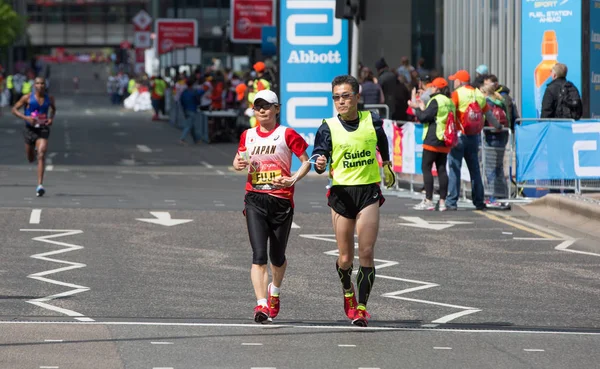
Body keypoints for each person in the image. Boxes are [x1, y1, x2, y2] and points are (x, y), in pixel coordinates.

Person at [313, 75, 395, 327]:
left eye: (346, 96)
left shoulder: (373, 121)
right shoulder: (328, 126)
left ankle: (361, 307)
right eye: (336, 97)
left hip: (368, 191)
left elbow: (381, 141)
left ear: (357, 97)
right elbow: (319, 153)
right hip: (341, 194)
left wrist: (387, 163)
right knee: (346, 258)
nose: (341, 101)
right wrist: (319, 162)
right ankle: (347, 290)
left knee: (367, 252)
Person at [233, 89, 310, 324]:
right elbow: (239, 159)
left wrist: (292, 178)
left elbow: (306, 162)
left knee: (277, 257)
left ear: (277, 108)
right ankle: (261, 304)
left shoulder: (287, 134)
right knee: (258, 255)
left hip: (281, 200)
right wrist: (237, 163)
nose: (262, 110)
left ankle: (274, 291)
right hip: (254, 198)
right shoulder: (247, 135)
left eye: (267, 105)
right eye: (258, 106)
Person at [446, 69, 502, 211]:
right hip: (473, 137)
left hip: (459, 136)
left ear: (459, 81)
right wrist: (498, 126)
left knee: (455, 169)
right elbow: (488, 114)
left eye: (455, 79)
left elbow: (449, 113)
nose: (454, 82)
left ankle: (452, 201)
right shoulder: (478, 94)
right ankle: (478, 201)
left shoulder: (457, 94)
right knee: (475, 170)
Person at [408, 77, 455, 211]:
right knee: (441, 169)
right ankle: (442, 202)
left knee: (426, 168)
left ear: (437, 88)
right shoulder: (449, 101)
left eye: (433, 87)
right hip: (445, 140)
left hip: (433, 138)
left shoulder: (436, 100)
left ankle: (428, 200)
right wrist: (423, 108)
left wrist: (417, 108)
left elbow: (424, 118)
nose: (431, 89)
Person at [11, 77, 56, 197]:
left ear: (45, 85)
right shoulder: (27, 97)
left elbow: (53, 109)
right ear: (34, 85)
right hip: (29, 129)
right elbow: (14, 109)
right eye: (37, 83)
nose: (40, 85)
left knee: (41, 154)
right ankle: (34, 149)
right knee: (31, 158)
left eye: (42, 83)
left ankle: (40, 185)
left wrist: (51, 118)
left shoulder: (49, 98)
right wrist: (26, 118)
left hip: (42, 129)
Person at [481, 84, 510, 209]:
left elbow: (487, 119)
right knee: (498, 167)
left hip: (491, 136)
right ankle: (502, 195)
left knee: (490, 168)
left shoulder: (487, 102)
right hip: (503, 136)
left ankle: (493, 197)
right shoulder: (500, 101)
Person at [178, 79, 203, 145]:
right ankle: (182, 139)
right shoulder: (193, 92)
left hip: (186, 110)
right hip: (192, 110)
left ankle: (196, 140)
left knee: (192, 126)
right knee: (188, 125)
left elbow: (181, 101)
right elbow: (198, 99)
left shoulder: (184, 92)